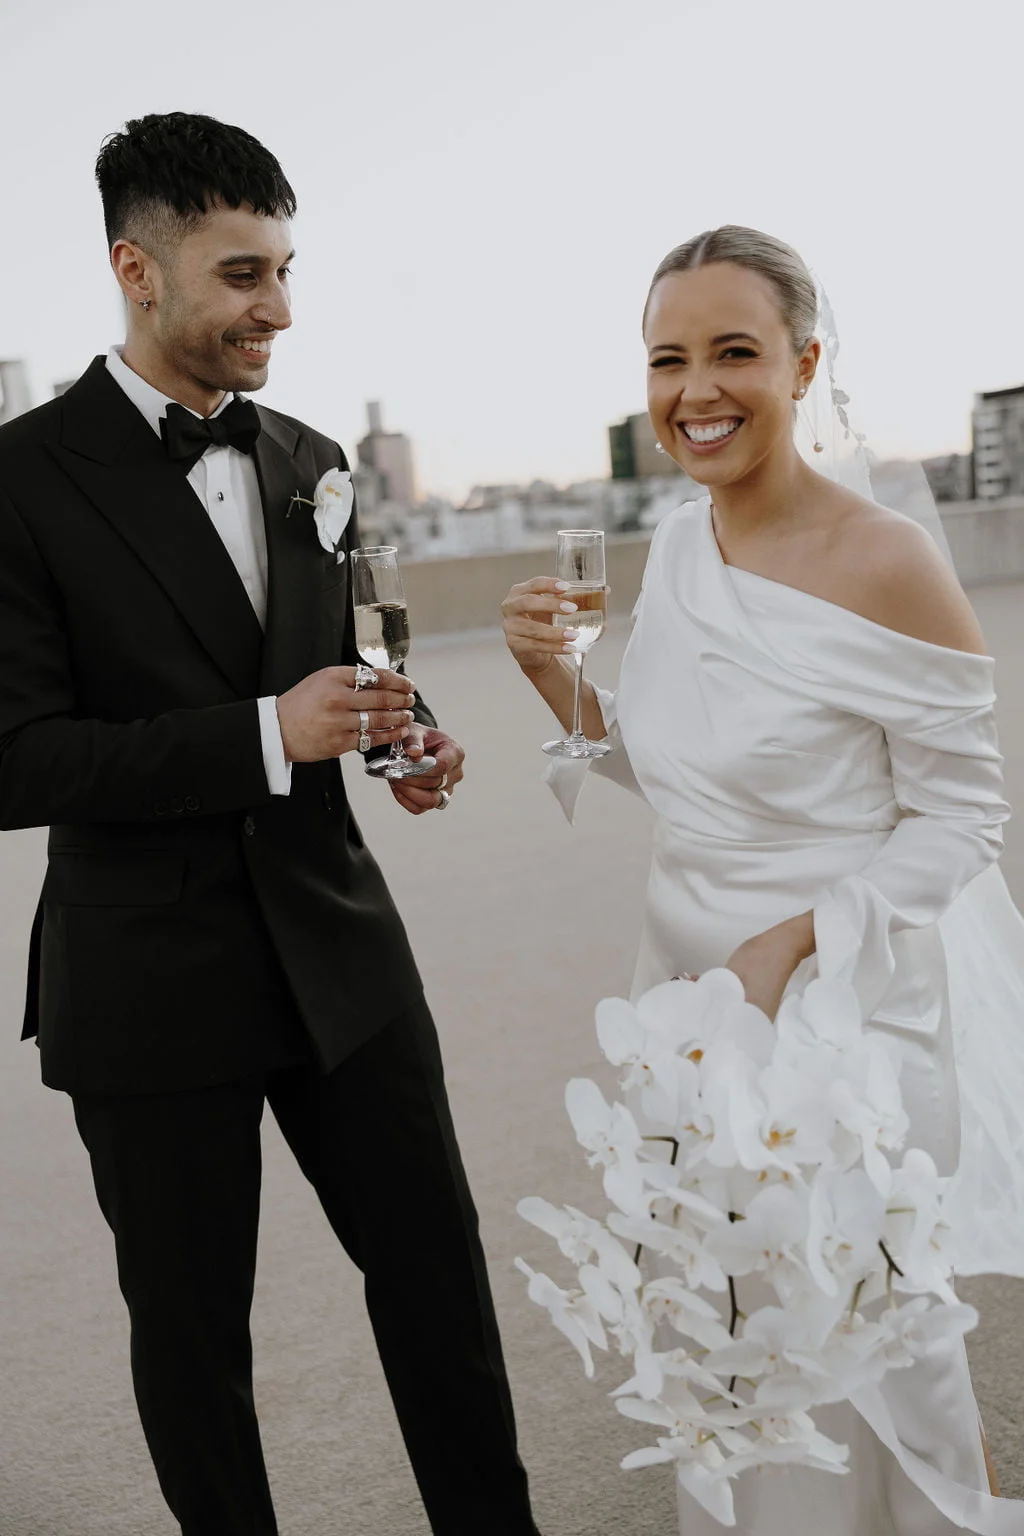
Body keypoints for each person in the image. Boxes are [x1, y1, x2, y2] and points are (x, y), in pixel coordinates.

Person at [0, 112, 541, 1536]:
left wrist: (405, 733)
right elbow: (15, 761)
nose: (279, 309)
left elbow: (344, 655)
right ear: (136, 269)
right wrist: (263, 736)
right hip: (146, 974)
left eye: (286, 270)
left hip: (340, 946)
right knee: (195, 1341)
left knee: (439, 1276)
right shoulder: (20, 478)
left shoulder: (310, 456)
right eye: (243, 275)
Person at [501, 225, 1024, 1533]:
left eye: (734, 351)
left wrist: (797, 941)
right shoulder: (678, 549)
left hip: (846, 1014)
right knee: (725, 1331)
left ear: (804, 364)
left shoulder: (887, 560)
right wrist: (554, 681)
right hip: (686, 1007)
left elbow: (964, 815)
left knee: (877, 1344)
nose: (696, 391)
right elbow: (686, 780)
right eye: (666, 359)